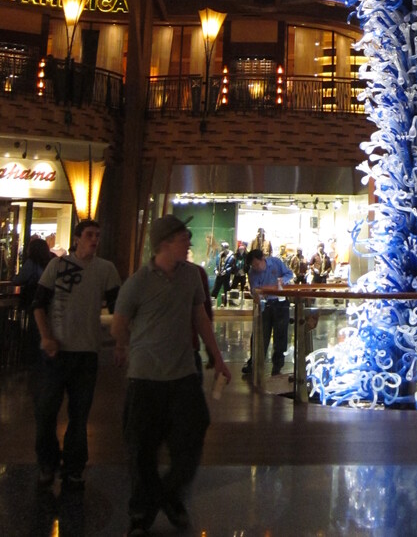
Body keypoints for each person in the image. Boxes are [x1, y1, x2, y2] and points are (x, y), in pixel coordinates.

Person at [111, 214, 230, 537]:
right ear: (165, 244)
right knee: (141, 447)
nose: (189, 242)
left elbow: (200, 317)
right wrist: (131, 346)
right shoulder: (138, 282)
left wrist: (217, 358)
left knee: (193, 433)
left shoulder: (191, 275)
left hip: (183, 374)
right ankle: (142, 513)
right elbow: (119, 324)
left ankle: (167, 494)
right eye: (183, 237)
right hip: (145, 378)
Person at [32, 219, 121, 490]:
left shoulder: (105, 269)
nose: (94, 240)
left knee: (79, 416)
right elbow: (39, 304)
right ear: (77, 238)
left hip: (86, 352)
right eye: (89, 235)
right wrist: (46, 336)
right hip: (56, 352)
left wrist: (122, 340)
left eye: (98, 235)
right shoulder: (57, 266)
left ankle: (73, 467)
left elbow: (119, 308)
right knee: (46, 412)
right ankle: (48, 462)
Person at [241, 247, 294, 377]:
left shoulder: (276, 262)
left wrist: (282, 281)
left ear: (263, 259)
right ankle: (255, 362)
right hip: (265, 305)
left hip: (280, 303)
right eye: (253, 266)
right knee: (260, 334)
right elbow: (255, 290)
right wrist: (258, 296)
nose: (256, 267)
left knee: (280, 335)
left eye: (257, 264)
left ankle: (277, 366)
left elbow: (289, 274)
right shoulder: (252, 273)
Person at [210, 241, 235, 307]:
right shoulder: (219, 256)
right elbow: (217, 265)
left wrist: (226, 271)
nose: (222, 249)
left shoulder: (232, 257)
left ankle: (226, 305)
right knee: (215, 290)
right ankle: (211, 304)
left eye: (223, 248)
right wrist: (215, 271)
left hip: (226, 276)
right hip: (219, 275)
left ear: (226, 248)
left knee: (226, 291)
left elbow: (232, 267)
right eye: (222, 248)